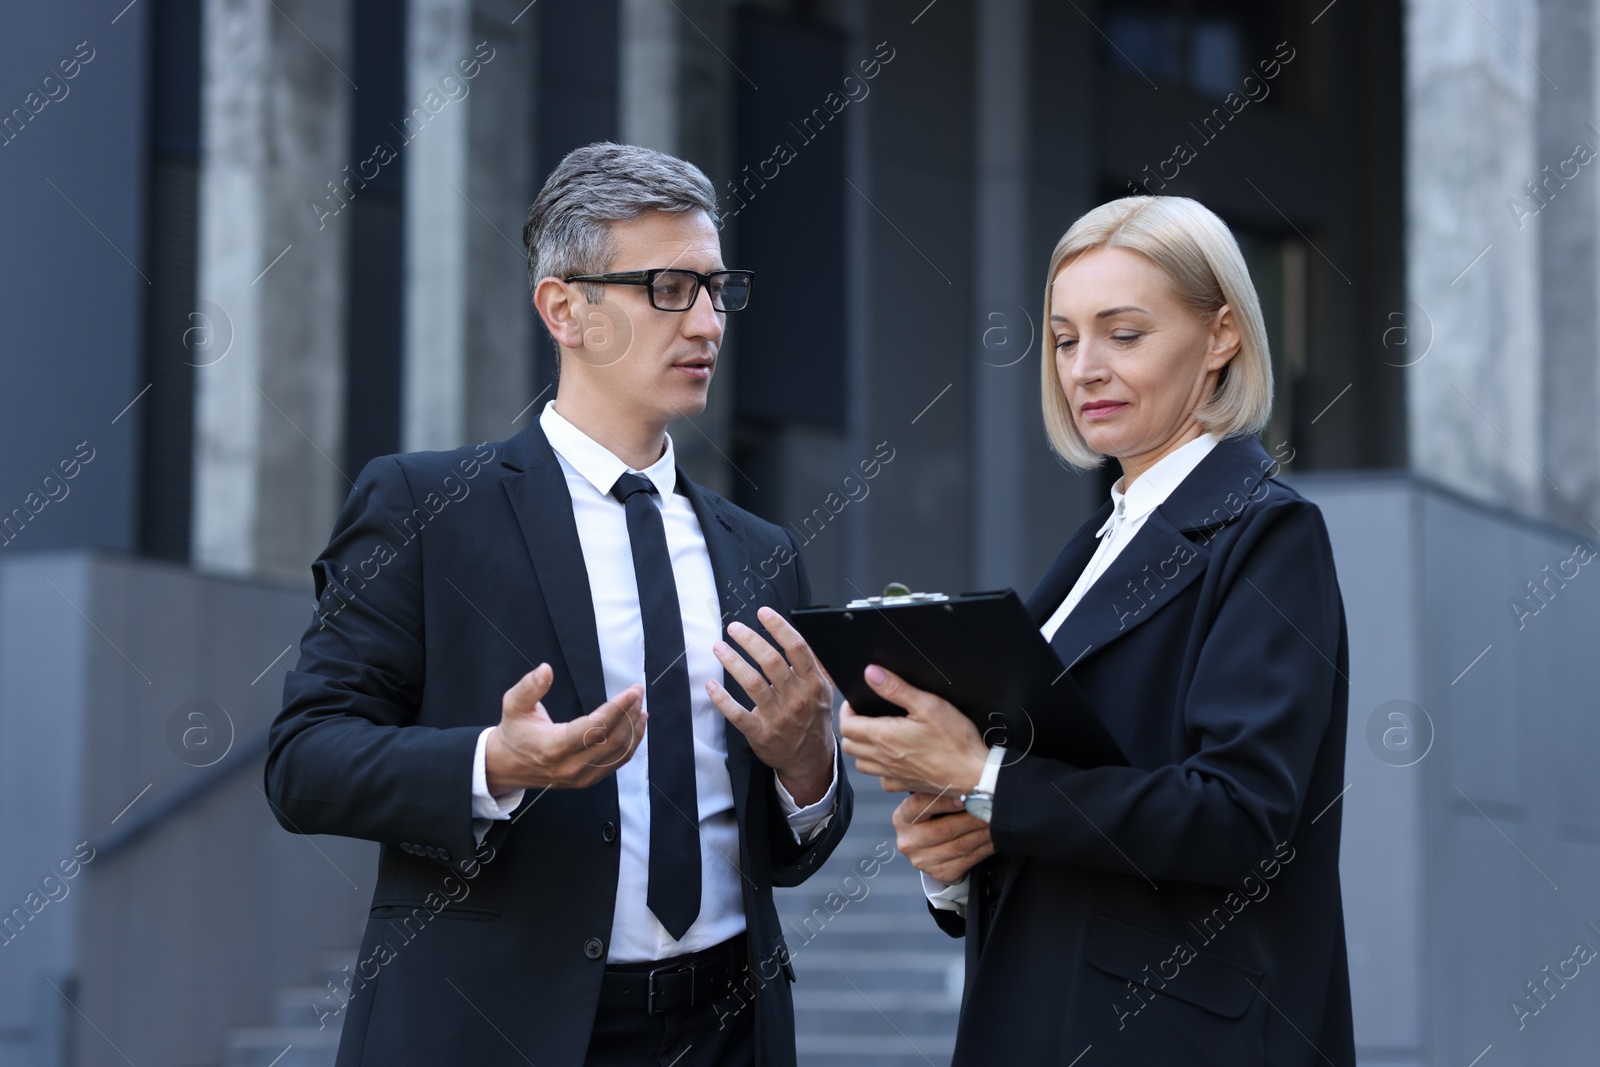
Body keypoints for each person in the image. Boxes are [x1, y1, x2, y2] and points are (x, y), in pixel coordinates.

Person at [267, 142, 851, 1067]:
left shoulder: (763, 553)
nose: (705, 321)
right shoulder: (426, 510)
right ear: (565, 308)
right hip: (501, 1029)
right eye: (667, 287)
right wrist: (492, 761)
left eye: (716, 288)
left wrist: (808, 765)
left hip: (727, 1031)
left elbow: (787, 850)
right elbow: (303, 761)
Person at [839, 195, 1354, 1065]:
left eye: (1124, 333)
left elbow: (1238, 816)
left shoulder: (1268, 532)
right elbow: (1060, 804)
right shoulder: (1096, 546)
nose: (1084, 368)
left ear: (1222, 335)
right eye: (1066, 338)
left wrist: (985, 778)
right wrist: (955, 852)